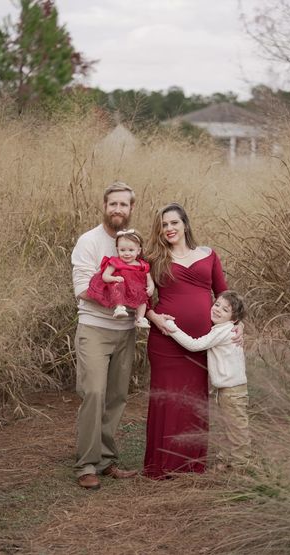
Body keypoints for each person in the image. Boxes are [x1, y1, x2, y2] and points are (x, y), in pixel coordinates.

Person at [143, 202, 243, 479]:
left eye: (174, 222)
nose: (169, 229)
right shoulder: (153, 259)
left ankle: (191, 464)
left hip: (202, 341)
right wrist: (155, 318)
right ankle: (161, 465)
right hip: (165, 340)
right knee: (167, 398)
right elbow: (140, 299)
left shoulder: (209, 255)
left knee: (193, 399)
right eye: (164, 225)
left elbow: (225, 294)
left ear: (185, 224)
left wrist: (239, 323)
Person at [71, 181, 138, 489]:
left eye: (123, 204)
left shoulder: (134, 241)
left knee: (116, 396)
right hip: (95, 329)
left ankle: (107, 459)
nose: (118, 209)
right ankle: (86, 464)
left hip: (126, 331)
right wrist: (120, 299)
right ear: (104, 205)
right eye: (113, 203)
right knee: (94, 393)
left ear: (131, 209)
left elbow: (144, 280)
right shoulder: (89, 241)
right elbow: (83, 290)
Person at [165, 290, 251, 470]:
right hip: (227, 389)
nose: (218, 310)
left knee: (236, 427)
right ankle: (226, 460)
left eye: (225, 310)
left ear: (233, 319)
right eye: (217, 305)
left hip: (233, 390)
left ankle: (241, 465)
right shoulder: (224, 328)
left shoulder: (224, 331)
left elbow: (195, 345)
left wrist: (172, 328)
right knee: (227, 424)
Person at [87, 229, 154, 328]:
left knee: (143, 299)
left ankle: (139, 318)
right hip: (121, 286)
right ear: (117, 249)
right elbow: (105, 276)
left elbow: (149, 279)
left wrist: (151, 287)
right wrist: (114, 278)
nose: (127, 253)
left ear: (138, 251)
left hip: (136, 290)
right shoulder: (115, 262)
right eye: (122, 250)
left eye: (131, 250)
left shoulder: (142, 265)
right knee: (117, 287)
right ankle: (119, 308)